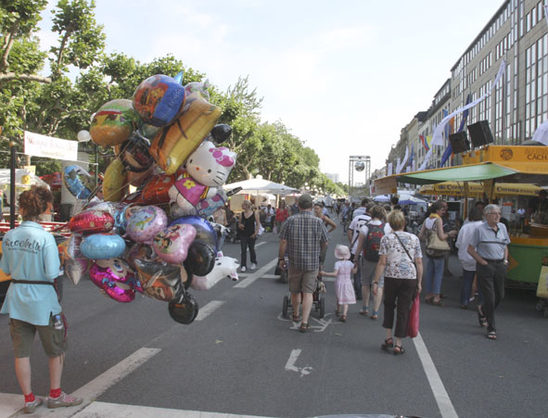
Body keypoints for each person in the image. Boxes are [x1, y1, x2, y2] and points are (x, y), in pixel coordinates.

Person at [0, 186, 82, 413]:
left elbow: (5, 268)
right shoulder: (45, 238)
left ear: (22, 208)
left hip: (16, 299)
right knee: (56, 349)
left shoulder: (9, 236)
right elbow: (50, 272)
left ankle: (28, 399)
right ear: (46, 208)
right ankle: (55, 394)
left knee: (21, 353)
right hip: (44, 301)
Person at [371, 210, 423, 355]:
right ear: (404, 223)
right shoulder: (414, 238)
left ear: (390, 224)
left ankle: (388, 337)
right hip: (409, 277)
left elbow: (382, 262)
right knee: (403, 309)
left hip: (391, 276)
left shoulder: (386, 239)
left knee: (389, 305)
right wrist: (419, 282)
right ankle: (398, 343)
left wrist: (376, 281)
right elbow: (419, 261)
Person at [278, 194, 328, 333]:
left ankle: (295, 314)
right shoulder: (318, 222)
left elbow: (283, 242)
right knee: (308, 293)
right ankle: (305, 322)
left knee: (294, 291)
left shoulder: (290, 220)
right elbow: (325, 242)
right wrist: (321, 260)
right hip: (312, 264)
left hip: (294, 262)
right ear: (312, 206)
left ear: (298, 206)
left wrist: (281, 259)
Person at [467, 204, 510, 340]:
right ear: (486, 216)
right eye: (494, 213)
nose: (497, 216)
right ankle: (491, 327)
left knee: (500, 295)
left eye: (499, 213)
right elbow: (470, 249)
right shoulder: (480, 229)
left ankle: (483, 310)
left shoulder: (502, 227)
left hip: (499, 264)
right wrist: (482, 261)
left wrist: (505, 260)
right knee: (490, 297)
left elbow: (505, 246)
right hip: (486, 264)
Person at [354, 205, 392, 319]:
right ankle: (375, 311)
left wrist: (356, 258)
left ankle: (365, 307)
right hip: (382, 259)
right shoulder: (387, 227)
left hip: (367, 258)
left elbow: (360, 246)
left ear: (371, 214)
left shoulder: (365, 227)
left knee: (365, 283)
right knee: (379, 284)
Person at [418, 200, 457, 306]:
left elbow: (420, 236)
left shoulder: (427, 219)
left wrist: (429, 237)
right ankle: (436, 296)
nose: (444, 211)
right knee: (438, 273)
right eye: (442, 209)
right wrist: (449, 234)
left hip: (429, 249)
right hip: (438, 250)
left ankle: (428, 294)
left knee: (430, 272)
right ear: (437, 210)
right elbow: (441, 236)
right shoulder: (438, 220)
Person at [455, 207, 484, 312]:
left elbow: (458, 243)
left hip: (466, 256)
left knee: (467, 279)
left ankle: (464, 301)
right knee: (481, 281)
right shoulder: (483, 227)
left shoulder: (465, 227)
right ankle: (481, 303)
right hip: (480, 257)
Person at [321, 245, 356, 322]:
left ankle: (338, 310)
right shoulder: (350, 263)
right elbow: (354, 272)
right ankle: (344, 314)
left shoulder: (338, 263)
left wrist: (325, 273)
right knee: (346, 299)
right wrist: (356, 265)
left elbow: (335, 274)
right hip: (348, 282)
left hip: (339, 282)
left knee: (339, 297)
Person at [347, 199, 372, 298]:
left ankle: (358, 292)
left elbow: (349, 231)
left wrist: (352, 242)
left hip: (355, 248)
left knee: (356, 272)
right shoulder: (373, 221)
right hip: (368, 250)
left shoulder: (357, 218)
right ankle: (366, 291)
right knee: (367, 272)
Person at [237, 200, 261, 272]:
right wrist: (240, 225)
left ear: (247, 206)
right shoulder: (242, 214)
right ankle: (243, 265)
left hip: (251, 234)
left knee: (251, 249)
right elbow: (239, 223)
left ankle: (253, 262)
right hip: (243, 234)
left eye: (243, 205)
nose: (242, 206)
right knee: (243, 250)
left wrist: (256, 233)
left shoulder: (254, 214)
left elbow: (258, 224)